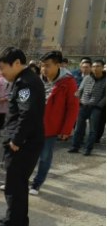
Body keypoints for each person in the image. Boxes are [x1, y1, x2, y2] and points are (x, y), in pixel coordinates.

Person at [0, 47, 45, 226]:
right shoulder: (26, 80)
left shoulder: (26, 83)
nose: (1, 73)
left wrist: (17, 139)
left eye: (3, 68)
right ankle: (20, 219)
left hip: (22, 142)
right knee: (20, 183)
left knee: (13, 184)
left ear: (17, 63)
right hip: (27, 140)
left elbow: (27, 113)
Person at [28, 51, 78, 196]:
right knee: (27, 155)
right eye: (42, 65)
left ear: (58, 65)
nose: (44, 69)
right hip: (33, 125)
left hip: (51, 127)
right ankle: (20, 179)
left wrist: (66, 129)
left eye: (47, 65)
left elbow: (73, 107)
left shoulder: (67, 82)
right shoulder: (37, 80)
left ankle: (37, 183)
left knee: (44, 157)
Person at [68, 59, 106, 156]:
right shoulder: (87, 78)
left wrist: (99, 105)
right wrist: (78, 100)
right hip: (83, 106)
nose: (95, 68)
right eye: (94, 66)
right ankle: (75, 146)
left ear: (102, 68)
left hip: (95, 108)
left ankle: (88, 149)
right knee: (78, 128)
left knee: (93, 130)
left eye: (98, 66)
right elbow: (80, 90)